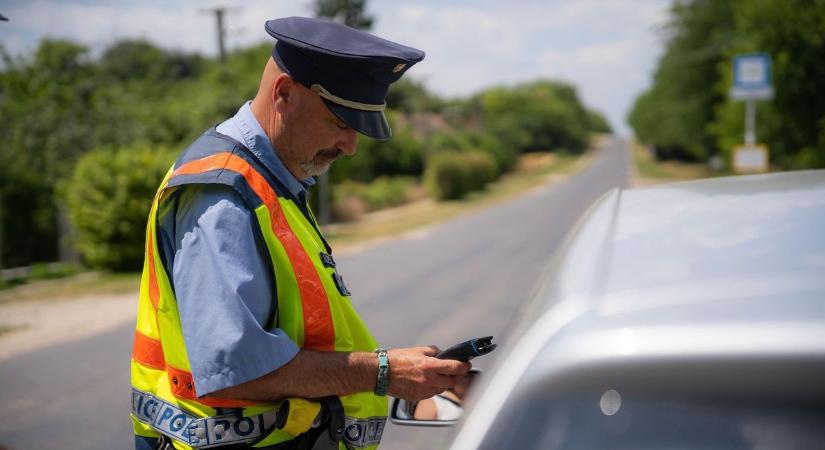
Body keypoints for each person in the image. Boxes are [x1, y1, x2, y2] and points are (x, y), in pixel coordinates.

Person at [130, 16, 471, 450]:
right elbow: (237, 368)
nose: (351, 146)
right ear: (285, 94)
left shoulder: (272, 180)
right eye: (341, 122)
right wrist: (383, 372)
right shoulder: (223, 199)